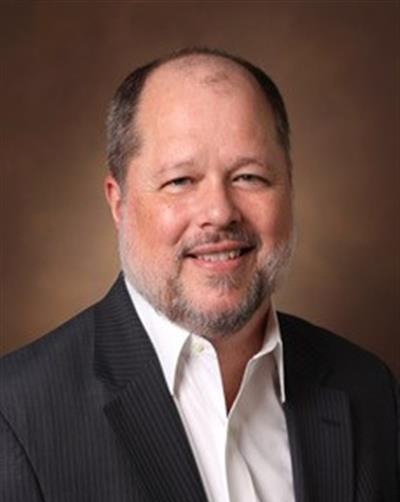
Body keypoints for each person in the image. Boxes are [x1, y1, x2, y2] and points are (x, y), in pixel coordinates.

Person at [0, 47, 398, 502]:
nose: (220, 212)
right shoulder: (15, 419)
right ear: (118, 202)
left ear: (289, 186)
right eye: (180, 181)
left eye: (249, 177)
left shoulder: (369, 390)